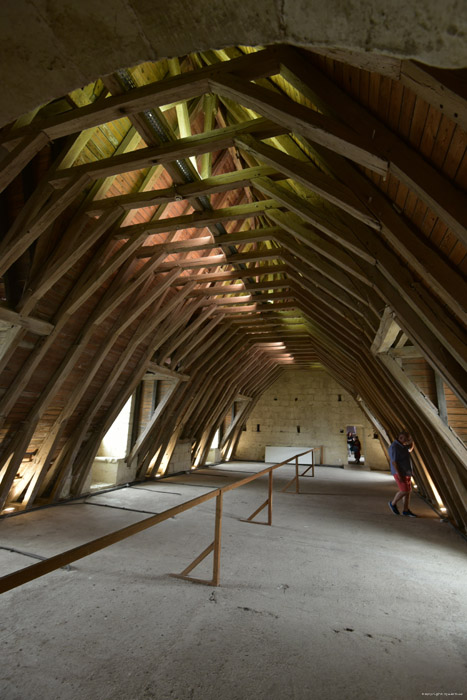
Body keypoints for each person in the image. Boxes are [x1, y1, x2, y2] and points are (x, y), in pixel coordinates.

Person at [388, 431, 418, 517]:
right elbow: (394, 462)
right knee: (405, 490)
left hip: (406, 472)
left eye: (408, 439)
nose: (407, 441)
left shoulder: (403, 445)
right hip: (399, 472)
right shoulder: (394, 447)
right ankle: (392, 503)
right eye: (406, 439)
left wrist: (412, 441)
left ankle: (406, 510)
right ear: (400, 438)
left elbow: (410, 449)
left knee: (408, 492)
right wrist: (399, 474)